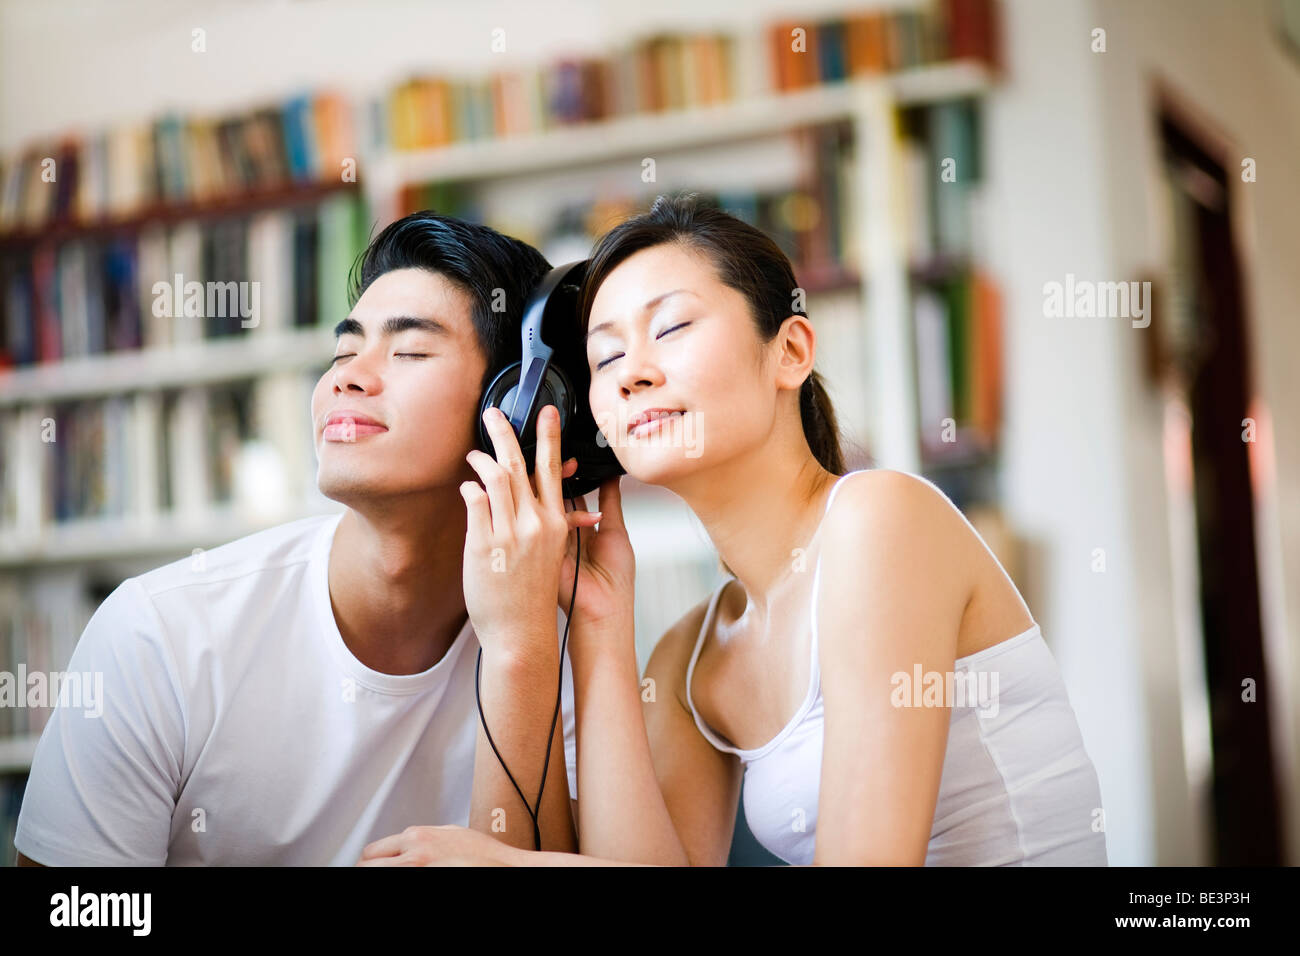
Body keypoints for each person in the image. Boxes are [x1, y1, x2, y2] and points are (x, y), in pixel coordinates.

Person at [378, 193, 1109, 867]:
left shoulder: (881, 520)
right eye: (604, 357)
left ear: (790, 351)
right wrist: (600, 615)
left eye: (671, 327)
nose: (631, 373)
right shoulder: (690, 659)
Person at [14, 211, 591, 866]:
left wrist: (521, 651)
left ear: (513, 408)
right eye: (344, 351)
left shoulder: (552, 651)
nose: (346, 377)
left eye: (407, 351)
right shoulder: (157, 635)